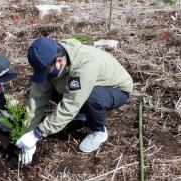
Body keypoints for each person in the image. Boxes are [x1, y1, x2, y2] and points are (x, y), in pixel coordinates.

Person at [16, 37, 133, 165]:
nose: (45, 75)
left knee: (91, 98)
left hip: (115, 89)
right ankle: (83, 114)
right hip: (84, 86)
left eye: (46, 71)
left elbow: (70, 105)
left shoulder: (84, 64)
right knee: (50, 88)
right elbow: (36, 99)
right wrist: (27, 132)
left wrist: (36, 134)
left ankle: (98, 130)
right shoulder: (48, 62)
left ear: (59, 61)